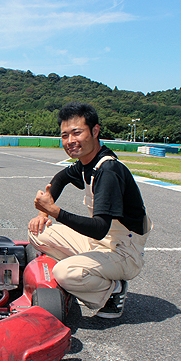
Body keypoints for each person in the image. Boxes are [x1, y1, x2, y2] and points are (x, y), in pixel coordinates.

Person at [28, 102, 152, 319]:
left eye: (77, 133)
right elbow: (61, 178)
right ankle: (87, 275)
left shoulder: (108, 170)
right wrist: (43, 213)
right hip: (101, 243)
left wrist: (55, 212)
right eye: (65, 135)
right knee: (38, 231)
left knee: (64, 273)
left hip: (123, 250)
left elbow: (99, 229)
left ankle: (112, 292)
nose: (70, 141)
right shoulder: (88, 162)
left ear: (95, 131)